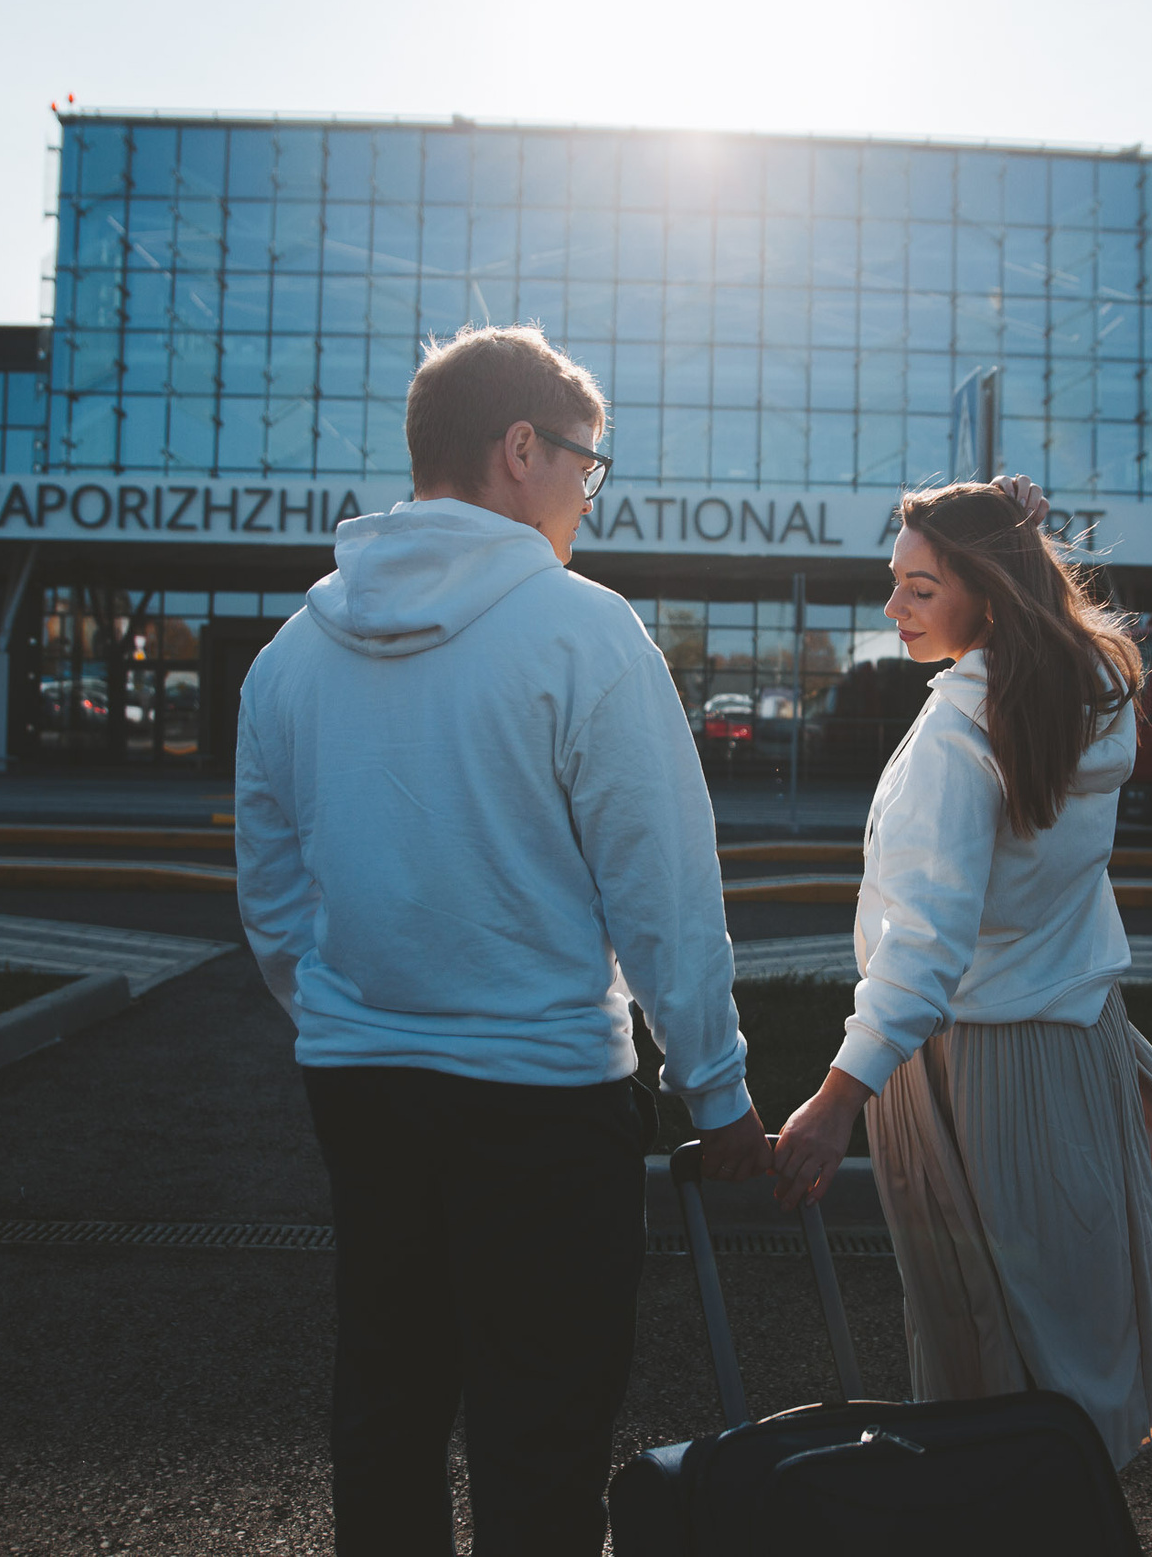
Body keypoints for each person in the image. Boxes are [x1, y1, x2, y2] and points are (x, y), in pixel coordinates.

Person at [233, 324, 769, 1557]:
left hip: (362, 1082)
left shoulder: (291, 654)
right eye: (587, 462)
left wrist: (346, 1011)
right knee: (541, 1432)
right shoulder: (583, 634)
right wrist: (718, 1088)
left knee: (385, 1406)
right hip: (541, 1097)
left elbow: (272, 899)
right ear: (519, 449)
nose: (590, 493)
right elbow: (664, 894)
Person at [769, 480, 1152, 1469]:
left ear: (992, 601)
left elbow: (923, 950)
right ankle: (1073, 1506)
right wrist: (1014, 538)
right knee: (1072, 1328)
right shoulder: (1087, 696)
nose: (894, 612)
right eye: (894, 585)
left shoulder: (959, 739)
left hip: (971, 1068)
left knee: (984, 1344)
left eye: (919, 590)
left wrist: (839, 1097)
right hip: (1075, 1044)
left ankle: (1008, 1518)